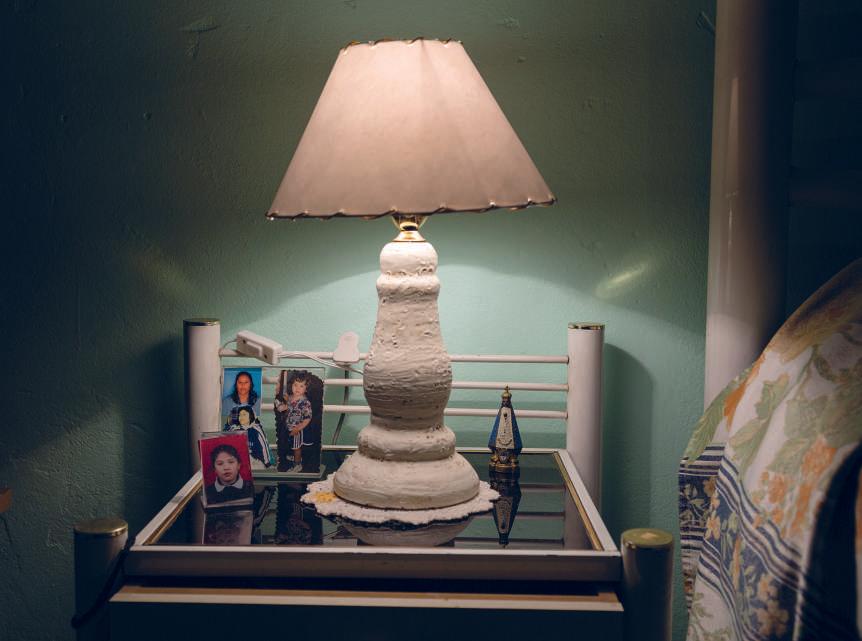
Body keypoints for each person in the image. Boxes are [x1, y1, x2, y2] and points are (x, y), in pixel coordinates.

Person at [274, 371, 313, 473]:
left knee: (296, 447)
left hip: (297, 429)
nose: (297, 388)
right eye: (295, 385)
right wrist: (285, 402)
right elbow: (289, 407)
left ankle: (297, 464)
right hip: (289, 426)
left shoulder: (305, 402)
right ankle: (294, 457)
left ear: (306, 389)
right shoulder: (291, 398)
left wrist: (298, 428)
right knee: (291, 444)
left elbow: (307, 418)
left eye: (301, 386)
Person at [225, 405, 273, 470]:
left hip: (255, 464)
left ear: (250, 416)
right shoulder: (234, 430)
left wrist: (267, 464)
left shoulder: (256, 430)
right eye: (239, 415)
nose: (241, 417)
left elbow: (264, 448)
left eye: (244, 414)